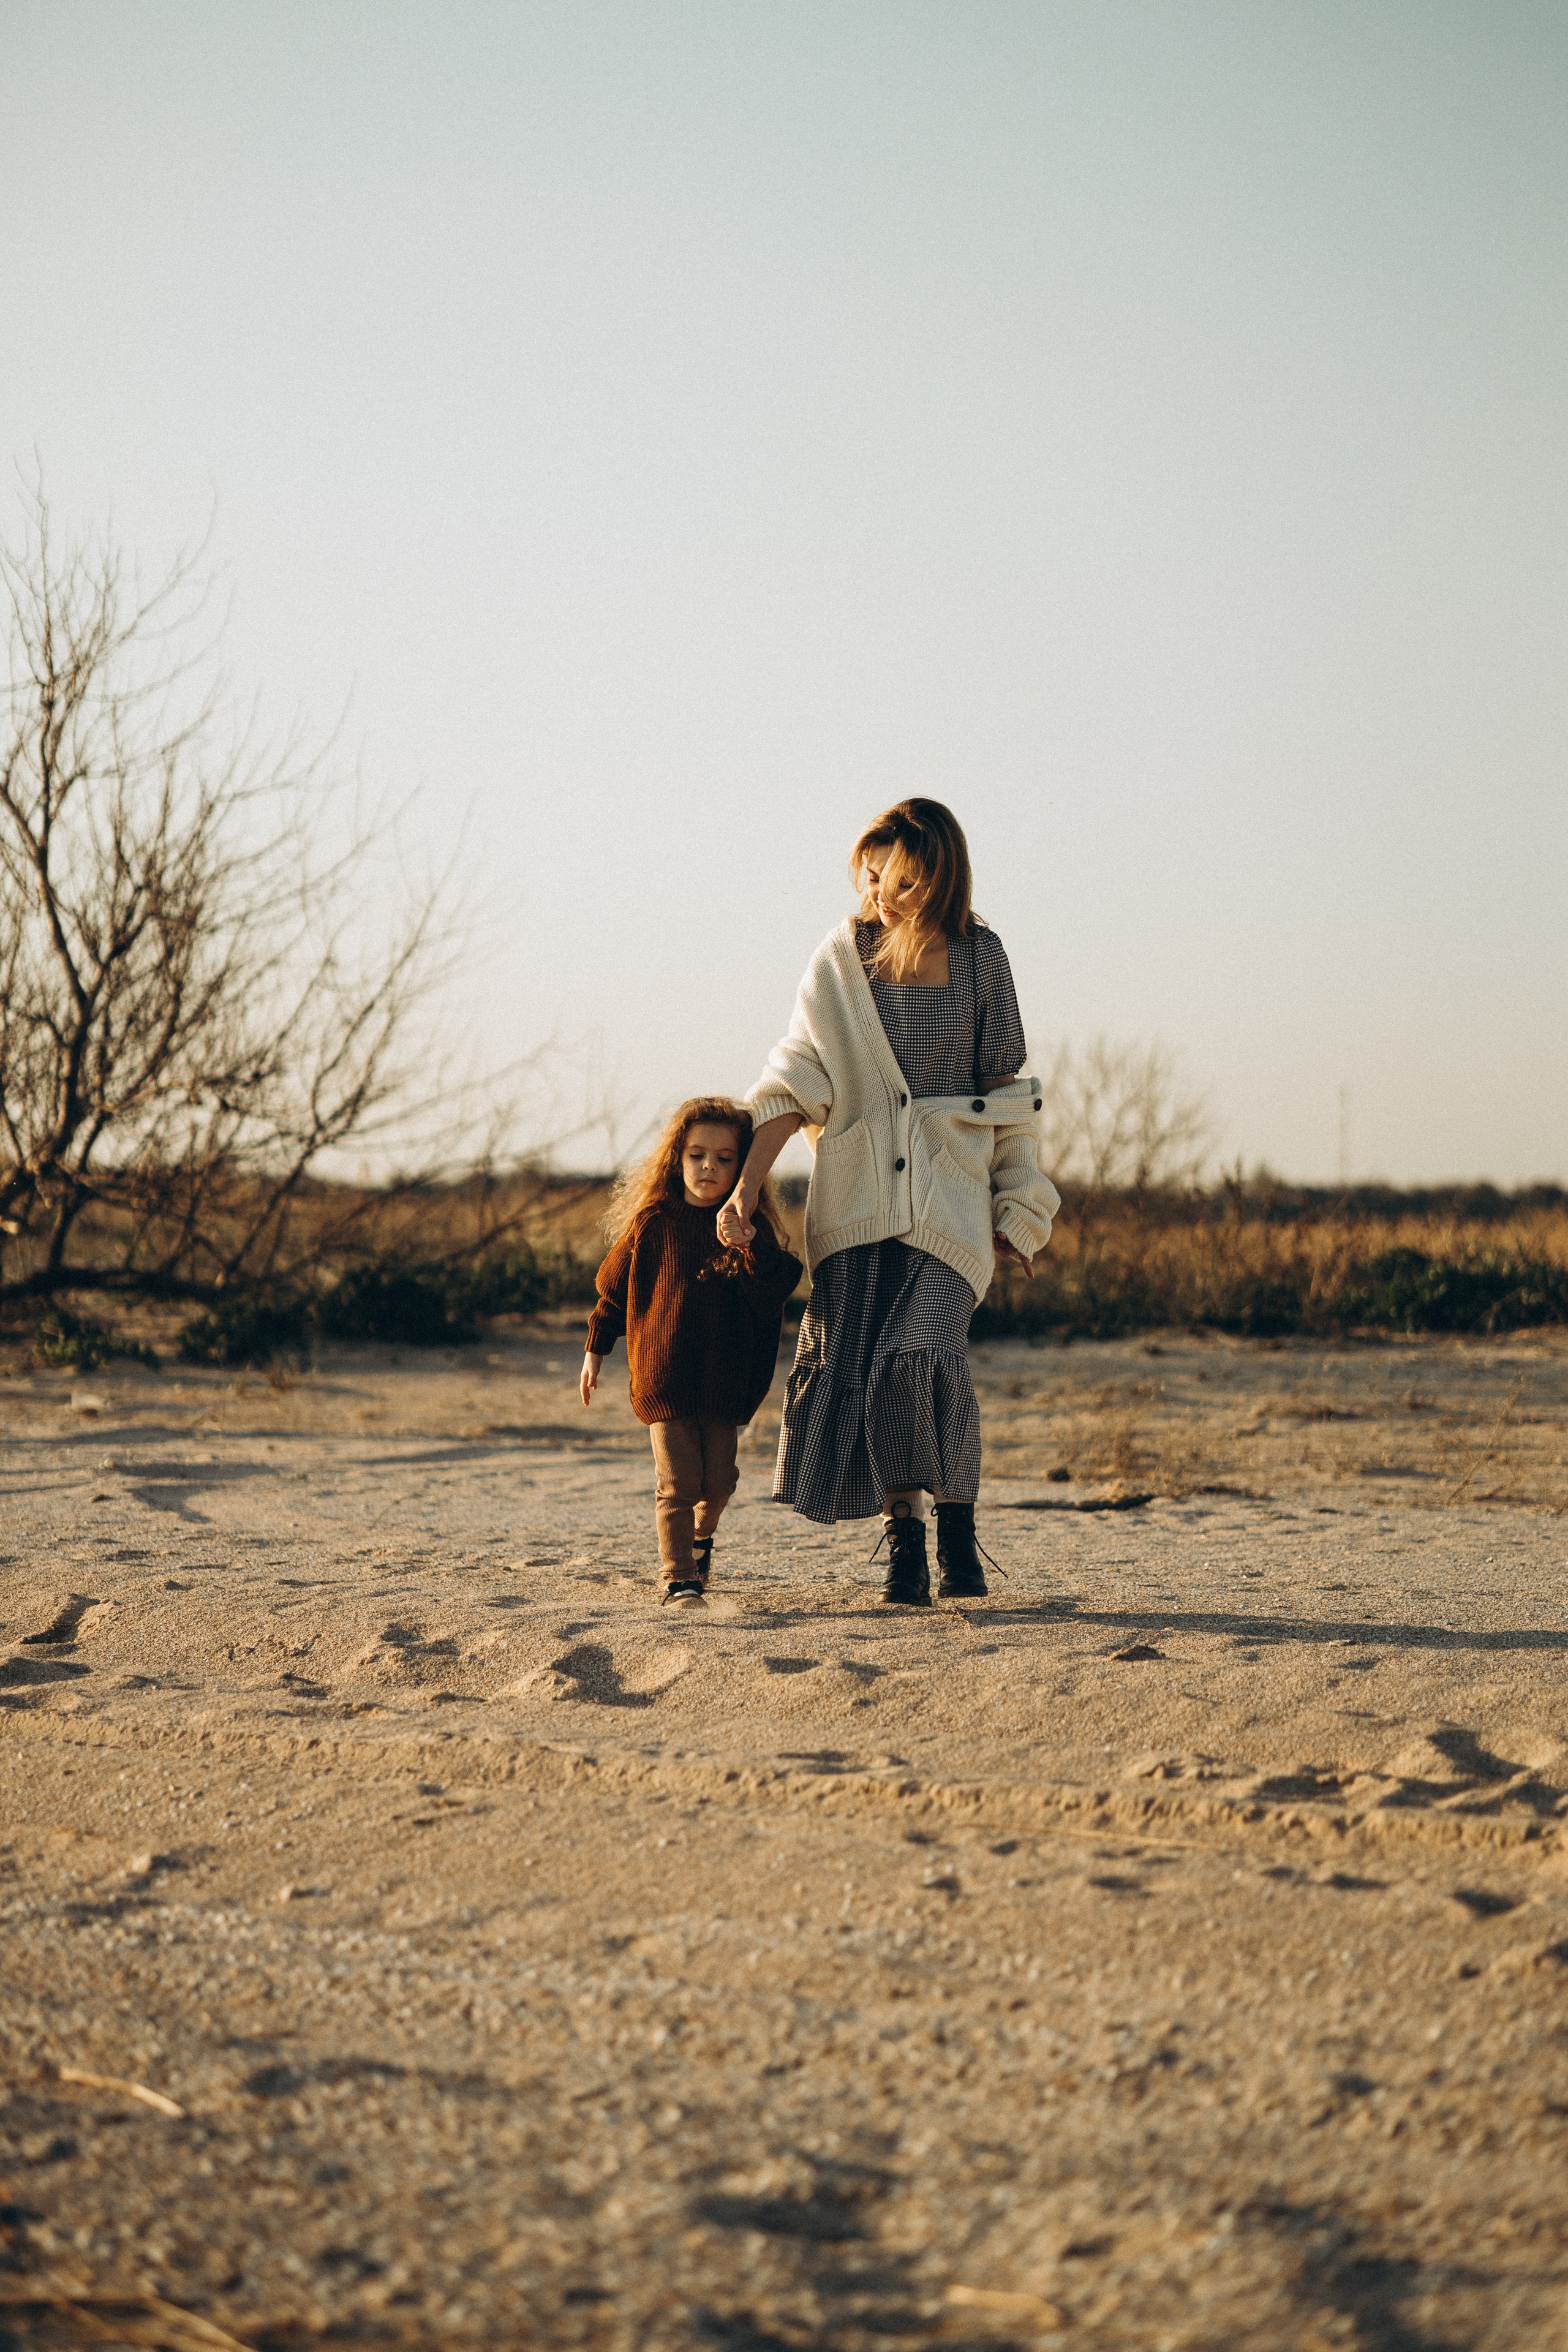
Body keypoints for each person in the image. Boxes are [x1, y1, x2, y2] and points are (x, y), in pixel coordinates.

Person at [717, 799, 1058, 1606]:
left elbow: (1005, 1090)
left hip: (953, 1207)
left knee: (918, 1354)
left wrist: (1021, 1205)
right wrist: (746, 1186)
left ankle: (959, 1525)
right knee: (872, 1371)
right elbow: (789, 1087)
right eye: (868, 873)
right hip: (858, 1209)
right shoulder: (840, 960)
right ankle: (907, 1543)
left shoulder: (983, 958)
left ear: (938, 877)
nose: (880, 892)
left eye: (899, 879)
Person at [581, 1097, 802, 1604]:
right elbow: (614, 1291)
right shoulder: (655, 1222)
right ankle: (678, 1576)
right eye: (698, 1155)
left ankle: (702, 1541)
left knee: (719, 1482)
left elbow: (774, 1290)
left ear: (745, 1167)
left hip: (725, 1379)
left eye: (726, 1159)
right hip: (665, 1377)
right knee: (678, 1483)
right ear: (677, 1158)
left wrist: (748, 1245)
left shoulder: (750, 1229)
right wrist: (596, 1348)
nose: (709, 1167)